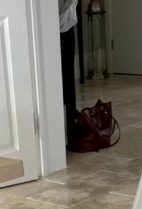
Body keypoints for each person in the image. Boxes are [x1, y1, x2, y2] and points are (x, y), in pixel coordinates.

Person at [59, 0, 78, 146]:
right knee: (60, 88)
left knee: (69, 86)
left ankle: (73, 134)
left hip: (67, 29)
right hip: (58, 33)